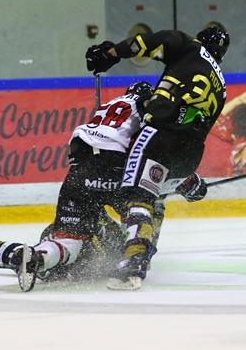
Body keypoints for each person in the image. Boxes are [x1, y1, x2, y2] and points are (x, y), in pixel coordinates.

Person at [0, 81, 205, 290]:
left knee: (68, 242)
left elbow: (77, 151)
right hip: (118, 170)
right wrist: (188, 182)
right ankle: (138, 255)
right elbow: (154, 155)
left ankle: (23, 255)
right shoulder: (148, 107)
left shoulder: (109, 108)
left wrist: (91, 176)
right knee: (149, 203)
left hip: (82, 173)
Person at [84, 25, 229, 290]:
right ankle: (144, 252)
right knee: (157, 197)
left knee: (139, 195)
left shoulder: (190, 48)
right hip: (191, 152)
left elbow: (153, 41)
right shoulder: (221, 86)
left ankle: (134, 261)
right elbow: (193, 124)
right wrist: (188, 180)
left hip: (160, 135)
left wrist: (112, 53)